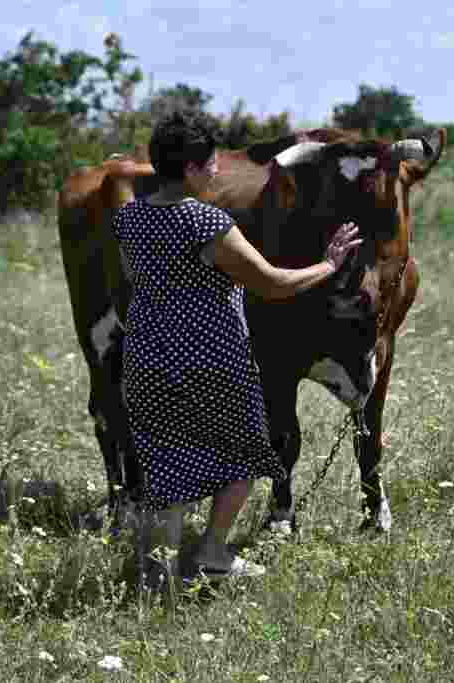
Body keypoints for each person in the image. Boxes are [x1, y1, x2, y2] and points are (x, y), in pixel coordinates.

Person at [111, 111, 362, 587]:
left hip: (145, 357)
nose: (217, 171)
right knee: (246, 454)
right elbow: (271, 284)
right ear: (189, 169)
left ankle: (155, 579)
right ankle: (209, 553)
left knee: (166, 467)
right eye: (210, 164)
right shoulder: (206, 221)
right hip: (209, 362)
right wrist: (329, 266)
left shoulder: (130, 219)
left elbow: (135, 279)